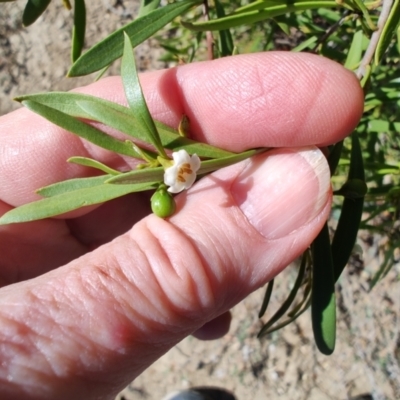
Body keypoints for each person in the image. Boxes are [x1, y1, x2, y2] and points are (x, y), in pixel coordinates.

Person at [0, 52, 363, 400]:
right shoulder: (170, 179)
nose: (185, 171)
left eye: (182, 169)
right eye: (181, 171)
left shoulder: (175, 172)